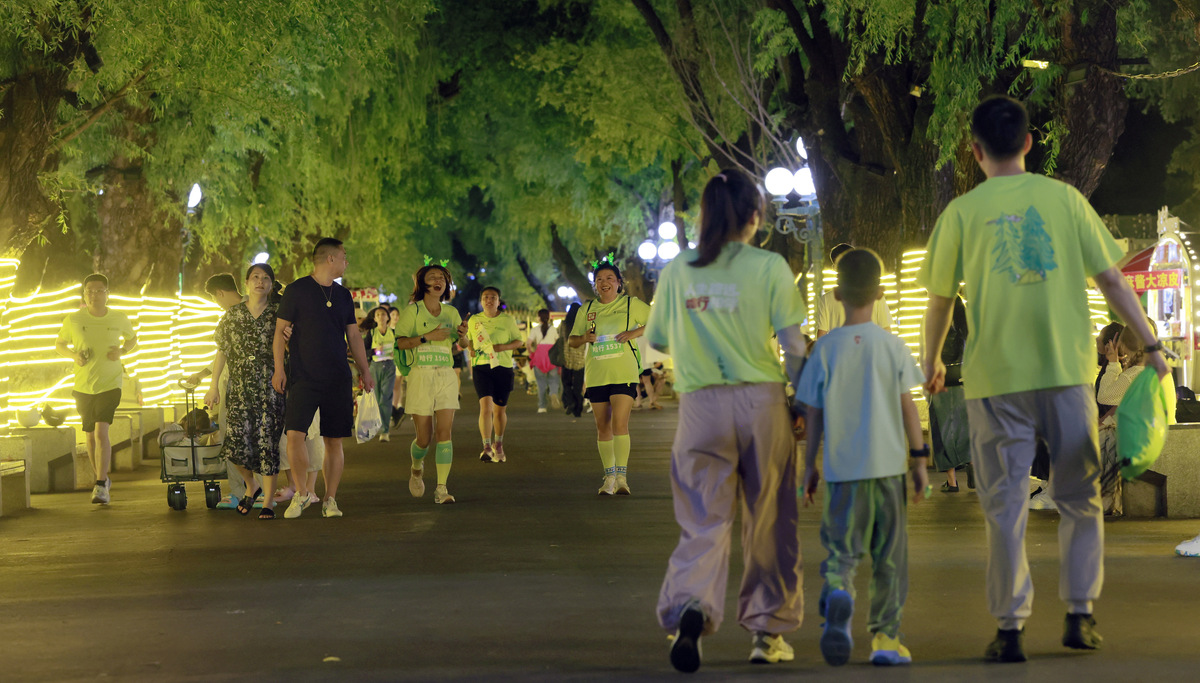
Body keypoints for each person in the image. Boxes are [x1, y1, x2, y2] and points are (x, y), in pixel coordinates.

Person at [919, 96, 1168, 663]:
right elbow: (1112, 281)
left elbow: (938, 301)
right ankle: (1079, 616)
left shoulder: (960, 213)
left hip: (994, 381)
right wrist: (1150, 345)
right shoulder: (1065, 201)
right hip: (1064, 376)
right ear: (1029, 143)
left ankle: (1009, 629)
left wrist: (931, 360)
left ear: (974, 151)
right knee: (1081, 499)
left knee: (1003, 504)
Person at [648, 169, 809, 673]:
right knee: (769, 517)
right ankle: (767, 632)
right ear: (755, 217)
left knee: (702, 519)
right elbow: (794, 346)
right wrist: (802, 401)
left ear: (705, 215)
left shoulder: (677, 271)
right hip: (761, 403)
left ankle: (691, 610)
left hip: (699, 407)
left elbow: (661, 340)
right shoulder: (770, 267)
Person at [799, 248, 929, 667]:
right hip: (888, 469)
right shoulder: (892, 345)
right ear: (878, 293)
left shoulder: (824, 349)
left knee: (842, 550)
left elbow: (813, 413)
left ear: (837, 294)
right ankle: (886, 640)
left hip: (841, 470)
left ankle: (838, 591)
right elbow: (908, 404)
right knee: (890, 557)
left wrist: (809, 467)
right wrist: (921, 459)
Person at [272, 238, 375, 519]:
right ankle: (302, 494)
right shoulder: (296, 290)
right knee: (295, 434)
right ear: (330, 259)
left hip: (338, 376)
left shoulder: (343, 295)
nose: (346, 261)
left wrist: (365, 371)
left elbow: (353, 335)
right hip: (303, 375)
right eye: (344, 256)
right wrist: (279, 369)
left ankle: (330, 498)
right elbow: (280, 333)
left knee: (334, 440)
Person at [205, 264, 285, 519]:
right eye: (255, 277)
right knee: (235, 443)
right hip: (239, 386)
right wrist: (213, 384)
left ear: (271, 284)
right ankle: (251, 484)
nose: (260, 282)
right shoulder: (233, 315)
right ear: (247, 283)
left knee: (267, 441)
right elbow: (222, 351)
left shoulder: (279, 313)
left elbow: (289, 345)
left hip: (270, 385)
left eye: (265, 278)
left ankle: (268, 501)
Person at [568, 261, 650, 495]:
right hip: (597, 375)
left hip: (624, 372)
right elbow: (572, 341)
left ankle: (622, 477)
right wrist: (584, 338)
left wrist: (634, 333)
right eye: (599, 280)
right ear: (595, 286)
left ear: (618, 283)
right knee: (602, 427)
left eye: (609, 279)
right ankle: (609, 477)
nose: (604, 283)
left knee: (619, 424)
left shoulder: (630, 305)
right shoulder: (587, 309)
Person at [55, 273, 137, 505]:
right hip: (83, 385)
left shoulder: (119, 317)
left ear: (107, 294)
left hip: (110, 383)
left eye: (99, 291)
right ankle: (102, 478)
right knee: (89, 436)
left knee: (101, 432)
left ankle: (100, 485)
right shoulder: (73, 319)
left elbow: (132, 339)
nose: (94, 295)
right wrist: (74, 355)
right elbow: (59, 344)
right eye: (89, 291)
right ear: (84, 294)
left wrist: (122, 351)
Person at [394, 264, 469, 504]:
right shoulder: (412, 312)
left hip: (446, 376)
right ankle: (417, 468)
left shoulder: (452, 312)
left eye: (442, 278)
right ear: (422, 283)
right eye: (432, 277)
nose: (438, 281)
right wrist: (428, 336)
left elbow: (464, 345)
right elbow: (401, 343)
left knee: (444, 433)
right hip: (420, 376)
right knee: (424, 438)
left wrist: (464, 334)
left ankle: (441, 488)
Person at [190, 273, 249, 509]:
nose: (217, 302)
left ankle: (241, 491)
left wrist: (211, 384)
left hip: (242, 387)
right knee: (249, 438)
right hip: (237, 385)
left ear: (220, 293)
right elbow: (221, 354)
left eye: (215, 298)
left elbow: (222, 352)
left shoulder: (239, 314)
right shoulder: (251, 309)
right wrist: (205, 376)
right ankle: (256, 491)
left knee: (234, 438)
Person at [467, 286, 523, 463]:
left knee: (499, 411)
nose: (489, 300)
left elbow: (518, 341)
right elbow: (468, 339)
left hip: (503, 367)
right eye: (485, 297)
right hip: (481, 367)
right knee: (486, 407)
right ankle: (486, 446)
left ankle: (498, 443)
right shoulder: (474, 320)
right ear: (481, 301)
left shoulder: (507, 320)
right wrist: (470, 348)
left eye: (493, 297)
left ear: (498, 301)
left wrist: (501, 348)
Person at [930, 294, 971, 492]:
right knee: (965, 423)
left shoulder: (935, 311)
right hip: (962, 374)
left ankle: (952, 481)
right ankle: (972, 467)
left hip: (941, 374)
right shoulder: (962, 311)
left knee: (941, 425)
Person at [814, 243, 892, 337]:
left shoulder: (826, 300)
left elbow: (821, 337)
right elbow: (886, 330)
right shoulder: (876, 296)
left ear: (834, 268)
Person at [359, 306, 397, 442]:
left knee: (385, 398)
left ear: (388, 317)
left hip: (390, 367)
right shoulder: (371, 334)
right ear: (375, 318)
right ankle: (380, 425)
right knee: (378, 399)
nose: (381, 317)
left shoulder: (394, 332)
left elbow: (402, 348)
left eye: (383, 314)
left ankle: (385, 430)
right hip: (375, 367)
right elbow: (363, 352)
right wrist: (375, 351)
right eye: (378, 315)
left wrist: (396, 353)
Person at [527, 309, 563, 414]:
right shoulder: (553, 329)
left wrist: (531, 353)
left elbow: (529, 343)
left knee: (541, 383)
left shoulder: (534, 330)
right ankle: (553, 393)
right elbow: (558, 343)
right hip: (551, 356)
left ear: (539, 318)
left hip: (539, 356)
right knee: (554, 380)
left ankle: (542, 406)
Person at [560, 303, 587, 418]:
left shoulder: (564, 324)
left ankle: (570, 401)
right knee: (578, 385)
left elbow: (561, 340)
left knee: (566, 383)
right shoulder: (584, 324)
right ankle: (578, 409)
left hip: (567, 357)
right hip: (580, 359)